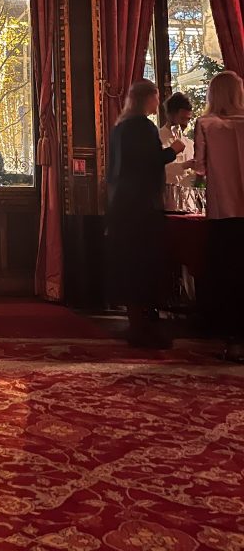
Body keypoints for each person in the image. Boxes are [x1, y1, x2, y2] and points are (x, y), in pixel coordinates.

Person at [106, 79, 184, 348]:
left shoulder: (119, 128)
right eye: (156, 97)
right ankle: (145, 329)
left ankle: (135, 324)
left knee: (129, 265)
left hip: (121, 206)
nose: (158, 103)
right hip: (141, 207)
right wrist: (173, 152)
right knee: (145, 265)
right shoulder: (143, 127)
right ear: (146, 99)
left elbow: (114, 171)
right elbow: (149, 163)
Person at [193, 70, 244, 363]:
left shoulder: (206, 124)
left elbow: (199, 168)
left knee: (227, 276)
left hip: (223, 210)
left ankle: (233, 340)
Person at [159, 92, 196, 213]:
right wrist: (184, 166)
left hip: (189, 204)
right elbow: (156, 171)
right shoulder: (157, 139)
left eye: (188, 119)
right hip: (167, 205)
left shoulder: (190, 144)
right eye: (182, 119)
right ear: (170, 115)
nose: (185, 124)